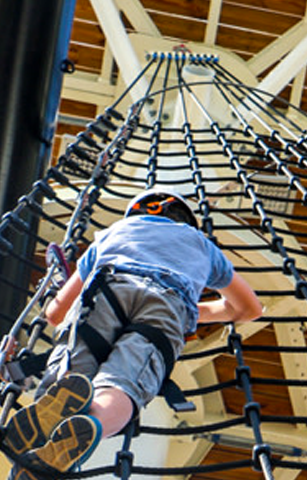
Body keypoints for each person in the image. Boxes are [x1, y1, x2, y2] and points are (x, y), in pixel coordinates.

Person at [2, 188, 262, 479]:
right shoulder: (201, 244)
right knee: (124, 384)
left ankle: (57, 405)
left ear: (135, 213)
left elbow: (54, 314)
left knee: (71, 365)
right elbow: (250, 309)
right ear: (186, 220)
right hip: (167, 306)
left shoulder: (113, 233)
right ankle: (93, 424)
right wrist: (191, 312)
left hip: (107, 289)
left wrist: (56, 296)